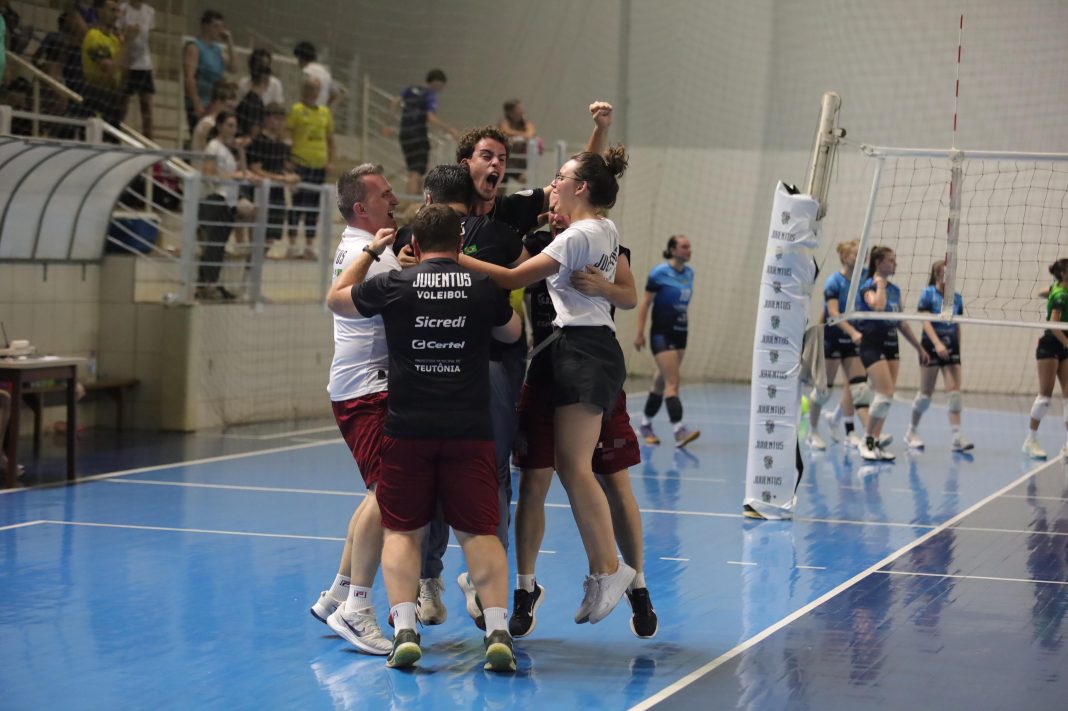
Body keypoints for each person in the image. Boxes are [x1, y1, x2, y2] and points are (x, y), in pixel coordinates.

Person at [326, 203, 522, 672]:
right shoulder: (482, 285)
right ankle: (497, 631)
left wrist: (371, 252)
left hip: (408, 429)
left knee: (403, 530)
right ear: (460, 244)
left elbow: (337, 299)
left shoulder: (394, 284)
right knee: (479, 532)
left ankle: (405, 631)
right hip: (469, 430)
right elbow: (513, 333)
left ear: (413, 245)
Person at [460, 144, 638, 626]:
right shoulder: (602, 228)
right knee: (567, 466)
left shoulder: (579, 235)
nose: (553, 184)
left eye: (561, 177)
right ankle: (602, 570)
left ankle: (611, 569)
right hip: (576, 348)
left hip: (585, 351)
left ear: (581, 187)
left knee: (576, 468)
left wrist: (450, 256)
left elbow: (512, 277)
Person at [510, 193, 658, 639]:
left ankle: (636, 585)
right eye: (551, 195)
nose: (555, 201)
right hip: (546, 366)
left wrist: (604, 288)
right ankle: (525, 588)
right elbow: (507, 274)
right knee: (534, 480)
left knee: (613, 479)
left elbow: (629, 296)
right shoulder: (536, 244)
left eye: (563, 190)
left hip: (590, 365)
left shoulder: (602, 242)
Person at [389, 164, 526, 626]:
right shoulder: (488, 271)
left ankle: (414, 607)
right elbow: (513, 327)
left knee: (415, 505)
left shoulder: (403, 266)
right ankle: (491, 612)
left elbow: (343, 299)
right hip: (472, 393)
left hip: (427, 395)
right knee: (486, 493)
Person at [308, 164, 401, 657]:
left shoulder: (367, 247)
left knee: (375, 494)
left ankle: (338, 593)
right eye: (385, 194)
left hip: (363, 386)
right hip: (367, 389)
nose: (395, 199)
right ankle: (357, 608)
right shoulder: (367, 253)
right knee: (387, 493)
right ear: (362, 208)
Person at [854, 246, 929, 461]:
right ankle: (866, 442)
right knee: (884, 393)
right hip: (872, 345)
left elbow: (901, 323)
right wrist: (880, 283)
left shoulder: (895, 290)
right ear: (878, 263)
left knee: (886, 398)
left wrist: (919, 348)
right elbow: (878, 306)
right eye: (891, 260)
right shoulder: (867, 286)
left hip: (891, 344)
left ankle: (875, 443)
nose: (895, 264)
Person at [635, 235, 700, 448]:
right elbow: (645, 303)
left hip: (681, 333)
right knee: (673, 382)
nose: (689, 250)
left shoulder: (689, 273)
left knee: (660, 381)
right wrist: (639, 333)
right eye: (684, 246)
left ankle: (645, 424)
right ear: (672, 250)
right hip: (661, 334)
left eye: (689, 246)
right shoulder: (658, 273)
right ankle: (679, 429)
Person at [905, 260, 974, 453]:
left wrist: (958, 348)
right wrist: (936, 343)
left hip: (951, 347)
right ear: (937, 274)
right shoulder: (927, 293)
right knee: (925, 395)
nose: (950, 276)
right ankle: (911, 431)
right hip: (931, 346)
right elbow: (925, 321)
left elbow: (957, 324)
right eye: (946, 272)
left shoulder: (957, 298)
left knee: (954, 394)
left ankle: (957, 437)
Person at [808, 239, 871, 449]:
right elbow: (833, 313)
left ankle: (850, 432)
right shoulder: (834, 281)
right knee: (823, 391)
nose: (862, 257)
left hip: (854, 341)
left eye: (864, 253)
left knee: (857, 388)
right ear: (844, 257)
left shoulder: (866, 278)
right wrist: (852, 332)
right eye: (856, 254)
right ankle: (813, 432)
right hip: (833, 339)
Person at [196, 111, 253, 300]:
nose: (233, 129)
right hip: (216, 199)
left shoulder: (228, 149)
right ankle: (207, 285)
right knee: (213, 245)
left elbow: (243, 173)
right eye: (229, 125)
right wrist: (233, 176)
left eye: (234, 126)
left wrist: (241, 150)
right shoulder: (213, 147)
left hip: (228, 201)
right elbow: (208, 174)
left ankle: (212, 283)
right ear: (220, 126)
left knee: (219, 246)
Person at [1023, 258, 1068, 459]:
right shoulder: (1060, 296)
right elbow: (1053, 324)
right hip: (1051, 344)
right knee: (1045, 398)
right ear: (1064, 273)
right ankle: (1030, 440)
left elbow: (1042, 291)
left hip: (1064, 345)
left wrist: (1050, 290)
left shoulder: (1057, 289)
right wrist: (1067, 343)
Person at [286, 76, 335, 260]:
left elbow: (330, 140)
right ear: (304, 90)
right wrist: (287, 159)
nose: (313, 92)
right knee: (297, 204)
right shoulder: (296, 110)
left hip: (318, 166)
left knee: (313, 207)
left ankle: (309, 245)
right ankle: (292, 245)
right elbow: (286, 135)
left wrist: (330, 161)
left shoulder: (324, 112)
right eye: (310, 88)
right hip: (300, 164)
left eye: (316, 89)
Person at [395, 69, 459, 196]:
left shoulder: (410, 89)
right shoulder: (429, 95)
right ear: (437, 82)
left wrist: (388, 124)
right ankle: (412, 202)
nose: (441, 89)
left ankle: (411, 199)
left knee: (413, 171)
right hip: (418, 135)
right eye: (441, 86)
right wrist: (450, 130)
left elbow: (395, 101)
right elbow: (431, 118)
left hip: (404, 134)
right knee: (417, 172)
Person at [246, 102, 299, 249]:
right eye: (276, 118)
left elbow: (280, 167)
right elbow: (255, 169)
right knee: (258, 235)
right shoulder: (258, 141)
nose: (280, 122)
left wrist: (290, 175)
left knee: (271, 237)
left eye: (282, 119)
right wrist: (282, 178)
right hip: (262, 192)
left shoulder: (281, 144)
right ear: (266, 119)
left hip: (277, 194)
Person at [81, 0, 132, 126]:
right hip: (96, 96)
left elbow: (122, 71)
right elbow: (108, 69)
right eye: (112, 10)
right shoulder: (93, 36)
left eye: (117, 11)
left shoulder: (115, 40)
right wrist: (126, 44)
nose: (116, 15)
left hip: (113, 99)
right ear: (100, 11)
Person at [183, 9, 234, 136]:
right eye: (216, 26)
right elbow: (189, 77)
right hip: (200, 102)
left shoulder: (217, 50)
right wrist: (197, 104)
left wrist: (229, 43)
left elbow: (233, 68)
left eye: (221, 27)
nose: (219, 31)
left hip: (215, 104)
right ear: (205, 26)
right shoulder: (194, 47)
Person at [118, 0, 154, 138]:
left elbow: (148, 37)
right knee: (122, 103)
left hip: (144, 63)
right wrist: (128, 35)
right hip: (127, 62)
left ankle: (148, 140)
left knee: (146, 105)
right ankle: (116, 135)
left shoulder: (149, 11)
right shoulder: (123, 9)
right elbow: (118, 33)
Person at [190, 79, 238, 152]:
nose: (231, 111)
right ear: (218, 103)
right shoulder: (207, 124)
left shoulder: (222, 123)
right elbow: (210, 153)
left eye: (233, 108)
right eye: (229, 107)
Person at [293, 41, 341, 108]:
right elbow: (336, 94)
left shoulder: (306, 72)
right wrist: (327, 109)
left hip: (307, 111)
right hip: (320, 111)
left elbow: (302, 95)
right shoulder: (325, 73)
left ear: (300, 58)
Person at [499, 99, 537, 184]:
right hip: (504, 161)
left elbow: (531, 132)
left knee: (526, 181)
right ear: (510, 112)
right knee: (501, 186)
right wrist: (522, 135)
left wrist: (519, 136)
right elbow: (505, 131)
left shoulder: (524, 121)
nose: (522, 110)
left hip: (518, 162)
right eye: (518, 108)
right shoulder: (504, 121)